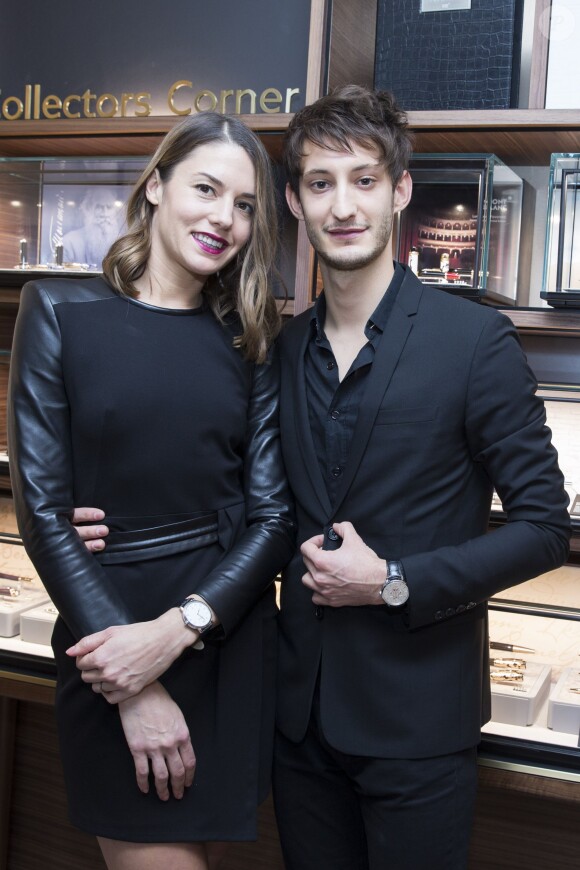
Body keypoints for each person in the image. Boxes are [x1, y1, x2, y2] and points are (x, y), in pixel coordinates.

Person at [71, 87, 571, 870]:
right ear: (295, 203)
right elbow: (237, 498)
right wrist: (104, 518)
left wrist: (395, 580)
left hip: (419, 724)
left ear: (400, 190)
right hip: (295, 726)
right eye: (320, 183)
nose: (343, 205)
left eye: (364, 180)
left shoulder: (475, 341)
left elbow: (546, 527)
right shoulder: (273, 345)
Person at [8, 111, 295, 870]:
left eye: (244, 206)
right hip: (109, 640)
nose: (223, 219)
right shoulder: (59, 313)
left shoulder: (251, 333)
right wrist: (132, 685)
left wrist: (179, 631)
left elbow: (272, 516)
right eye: (206, 189)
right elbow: (41, 510)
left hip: (223, 638)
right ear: (157, 186)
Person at [62, 186, 123, 268]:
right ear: (88, 209)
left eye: (109, 207)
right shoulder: (69, 242)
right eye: (99, 207)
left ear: (115, 211)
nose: (105, 213)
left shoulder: (124, 241)